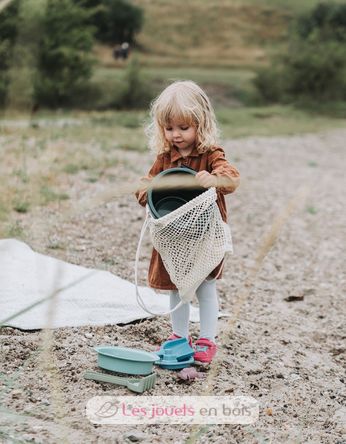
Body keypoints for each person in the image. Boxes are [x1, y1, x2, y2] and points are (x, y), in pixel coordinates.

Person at [135, 80, 240, 364]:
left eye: (184, 128)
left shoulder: (210, 154)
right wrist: (144, 190)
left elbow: (231, 177)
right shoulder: (164, 158)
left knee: (205, 287)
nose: (176, 135)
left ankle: (207, 338)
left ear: (200, 124)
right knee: (176, 288)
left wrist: (214, 178)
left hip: (204, 235)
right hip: (174, 238)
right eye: (169, 128)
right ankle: (179, 336)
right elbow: (146, 181)